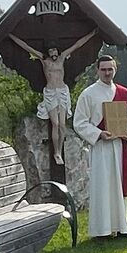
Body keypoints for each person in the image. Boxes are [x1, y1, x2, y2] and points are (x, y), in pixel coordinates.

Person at [72, 54, 127, 239]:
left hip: (119, 146)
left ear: (115, 70)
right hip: (101, 148)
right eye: (104, 69)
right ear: (97, 70)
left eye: (110, 69)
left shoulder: (123, 93)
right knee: (102, 187)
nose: (107, 73)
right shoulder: (88, 94)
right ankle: (101, 230)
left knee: (119, 187)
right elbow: (79, 122)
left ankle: (122, 228)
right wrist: (98, 133)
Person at [8, 30, 97, 164]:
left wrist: (91, 34)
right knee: (55, 123)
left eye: (54, 50)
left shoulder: (62, 57)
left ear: (57, 50)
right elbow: (26, 47)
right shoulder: (44, 60)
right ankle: (56, 152)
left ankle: (59, 150)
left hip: (62, 91)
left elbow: (78, 45)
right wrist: (11, 36)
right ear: (48, 52)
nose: (53, 53)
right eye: (50, 51)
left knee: (62, 124)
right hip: (50, 93)